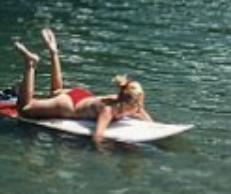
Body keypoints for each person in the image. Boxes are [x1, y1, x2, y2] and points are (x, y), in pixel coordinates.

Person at [12, 28, 152, 144]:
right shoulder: (109, 111)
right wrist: (105, 154)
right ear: (136, 99)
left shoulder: (132, 104)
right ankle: (30, 64)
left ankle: (54, 52)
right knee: (24, 109)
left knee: (56, 91)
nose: (140, 106)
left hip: (81, 95)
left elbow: (152, 125)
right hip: (69, 105)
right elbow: (97, 137)